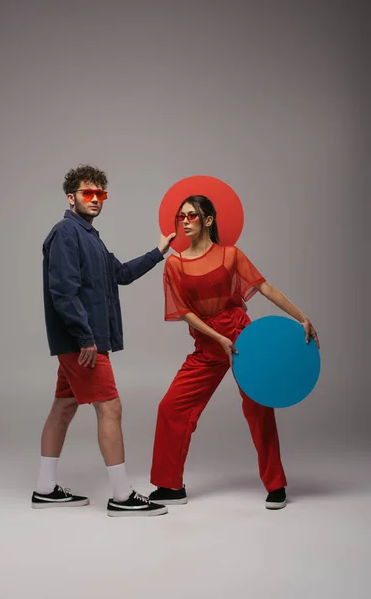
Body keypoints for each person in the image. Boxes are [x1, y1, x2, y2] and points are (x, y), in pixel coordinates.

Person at [149, 195, 319, 509]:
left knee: (259, 410)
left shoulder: (230, 254)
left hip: (243, 339)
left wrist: (302, 317)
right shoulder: (175, 263)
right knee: (171, 407)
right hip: (209, 343)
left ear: (209, 220)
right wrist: (218, 339)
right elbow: (185, 312)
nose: (185, 221)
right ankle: (170, 486)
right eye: (181, 217)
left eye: (192, 216)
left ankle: (276, 485)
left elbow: (265, 288)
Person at [32, 164, 175, 517]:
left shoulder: (91, 238)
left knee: (63, 408)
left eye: (100, 194)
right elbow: (62, 292)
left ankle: (44, 489)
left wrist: (158, 252)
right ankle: (122, 496)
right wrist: (85, 337)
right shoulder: (66, 232)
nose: (95, 199)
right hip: (83, 344)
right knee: (110, 408)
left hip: (81, 342)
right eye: (87, 193)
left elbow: (121, 274)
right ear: (71, 197)